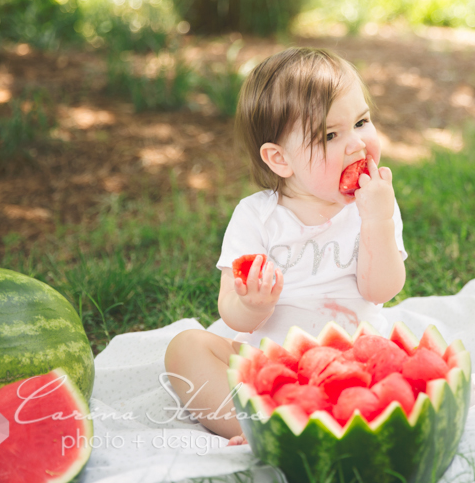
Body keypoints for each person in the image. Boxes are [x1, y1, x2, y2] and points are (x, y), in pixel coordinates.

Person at [164, 47, 408, 444]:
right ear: (280, 160)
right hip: (270, 366)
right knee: (185, 347)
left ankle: (325, 420)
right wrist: (252, 304)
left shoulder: (375, 204)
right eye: (330, 134)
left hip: (353, 361)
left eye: (362, 121)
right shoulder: (255, 217)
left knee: (402, 374)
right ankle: (259, 426)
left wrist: (377, 220)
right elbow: (232, 312)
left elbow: (380, 290)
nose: (357, 144)